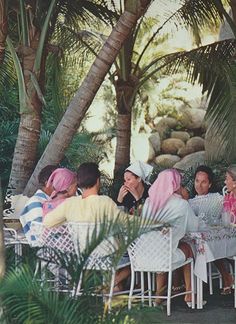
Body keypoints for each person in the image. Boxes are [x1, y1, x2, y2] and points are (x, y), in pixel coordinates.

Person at [43, 162, 139, 292]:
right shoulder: (105, 202)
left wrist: (68, 221)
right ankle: (112, 285)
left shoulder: (70, 204)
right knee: (133, 257)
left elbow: (47, 222)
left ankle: (111, 287)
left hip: (83, 257)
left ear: (79, 182)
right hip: (107, 257)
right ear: (98, 181)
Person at [142, 169, 199, 307]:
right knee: (188, 247)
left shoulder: (149, 203)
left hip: (143, 256)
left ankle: (158, 297)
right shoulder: (181, 204)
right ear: (175, 185)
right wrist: (185, 201)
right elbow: (194, 228)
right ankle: (189, 294)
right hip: (166, 257)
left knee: (162, 247)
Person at [189, 165, 233, 295]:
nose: (199, 185)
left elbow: (228, 214)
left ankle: (226, 276)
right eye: (197, 181)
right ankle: (184, 286)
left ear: (209, 184)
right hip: (194, 238)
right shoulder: (189, 202)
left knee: (207, 245)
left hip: (215, 236)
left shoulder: (218, 198)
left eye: (204, 182)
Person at [20, 165, 57, 246]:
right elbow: (41, 235)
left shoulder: (55, 201)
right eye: (59, 180)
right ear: (47, 183)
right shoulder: (35, 202)